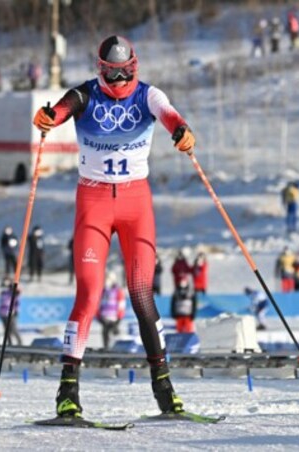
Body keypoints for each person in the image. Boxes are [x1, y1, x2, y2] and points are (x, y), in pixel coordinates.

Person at [32, 35, 196, 417]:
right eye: (112, 72)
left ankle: (164, 388)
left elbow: (170, 113)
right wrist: (47, 118)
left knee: (141, 294)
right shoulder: (86, 95)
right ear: (101, 69)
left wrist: (180, 130)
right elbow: (58, 111)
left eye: (125, 71)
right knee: (88, 295)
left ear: (134, 66)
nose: (120, 80)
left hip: (137, 204)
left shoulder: (148, 95)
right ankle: (67, 393)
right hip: (94, 203)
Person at [97, 280, 126, 350]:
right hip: (104, 317)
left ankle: (118, 349)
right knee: (105, 333)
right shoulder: (101, 291)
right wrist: (100, 317)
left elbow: (121, 305)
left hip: (114, 318)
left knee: (116, 333)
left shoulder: (118, 291)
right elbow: (97, 304)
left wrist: (119, 318)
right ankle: (106, 348)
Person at [0, 278, 22, 346]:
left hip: (11, 314)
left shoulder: (15, 294)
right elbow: (4, 302)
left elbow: (17, 303)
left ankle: (20, 343)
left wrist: (16, 311)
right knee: (7, 331)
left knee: (13, 329)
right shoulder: (4, 294)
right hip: (3, 313)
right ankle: (9, 343)